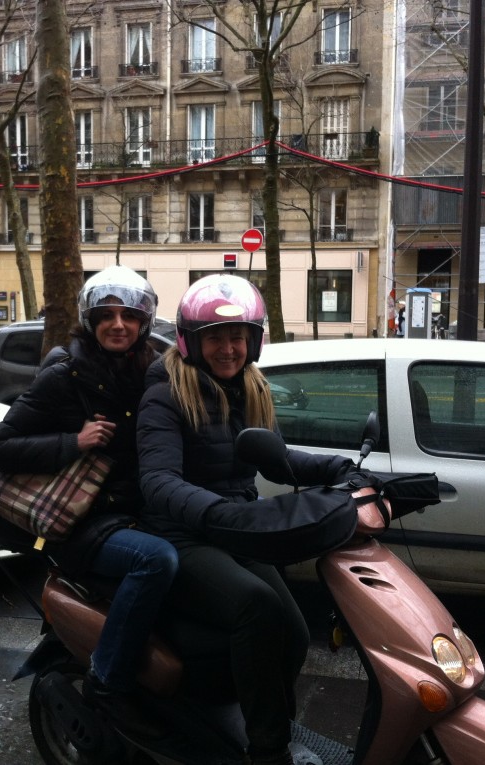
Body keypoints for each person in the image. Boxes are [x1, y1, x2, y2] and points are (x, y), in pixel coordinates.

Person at [137, 274, 355, 765]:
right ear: (192, 341)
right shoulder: (166, 394)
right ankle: (267, 751)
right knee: (256, 607)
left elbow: (278, 458)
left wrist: (344, 469)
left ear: (253, 340)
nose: (228, 348)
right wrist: (216, 511)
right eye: (216, 337)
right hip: (182, 537)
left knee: (295, 634)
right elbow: (157, 480)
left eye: (237, 337)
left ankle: (270, 721)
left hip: (236, 529)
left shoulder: (250, 387)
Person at [0, 265, 178, 719]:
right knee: (156, 561)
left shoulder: (153, 371)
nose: (118, 325)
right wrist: (74, 441)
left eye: (128, 316)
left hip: (132, 512)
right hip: (82, 522)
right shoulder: (65, 375)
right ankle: (107, 681)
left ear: (143, 323)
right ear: (90, 321)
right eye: (106, 315)